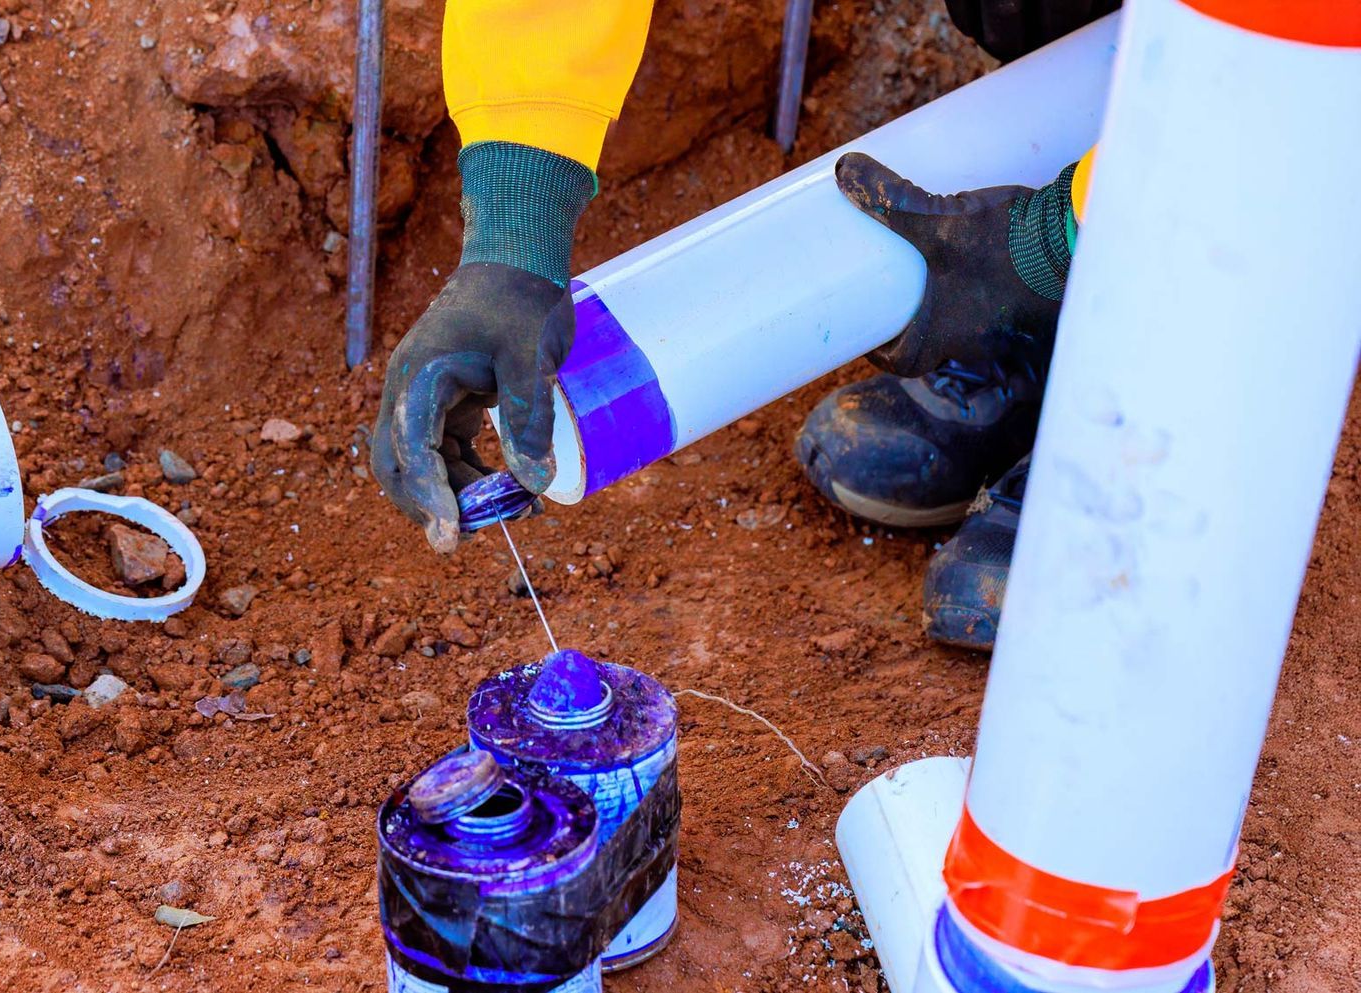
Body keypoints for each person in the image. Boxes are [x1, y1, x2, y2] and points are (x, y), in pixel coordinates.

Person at [371, 0, 1114, 652]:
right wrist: (513, 238)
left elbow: (1233, 54)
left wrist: (1064, 238)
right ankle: (1043, 316)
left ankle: (1158, 362)